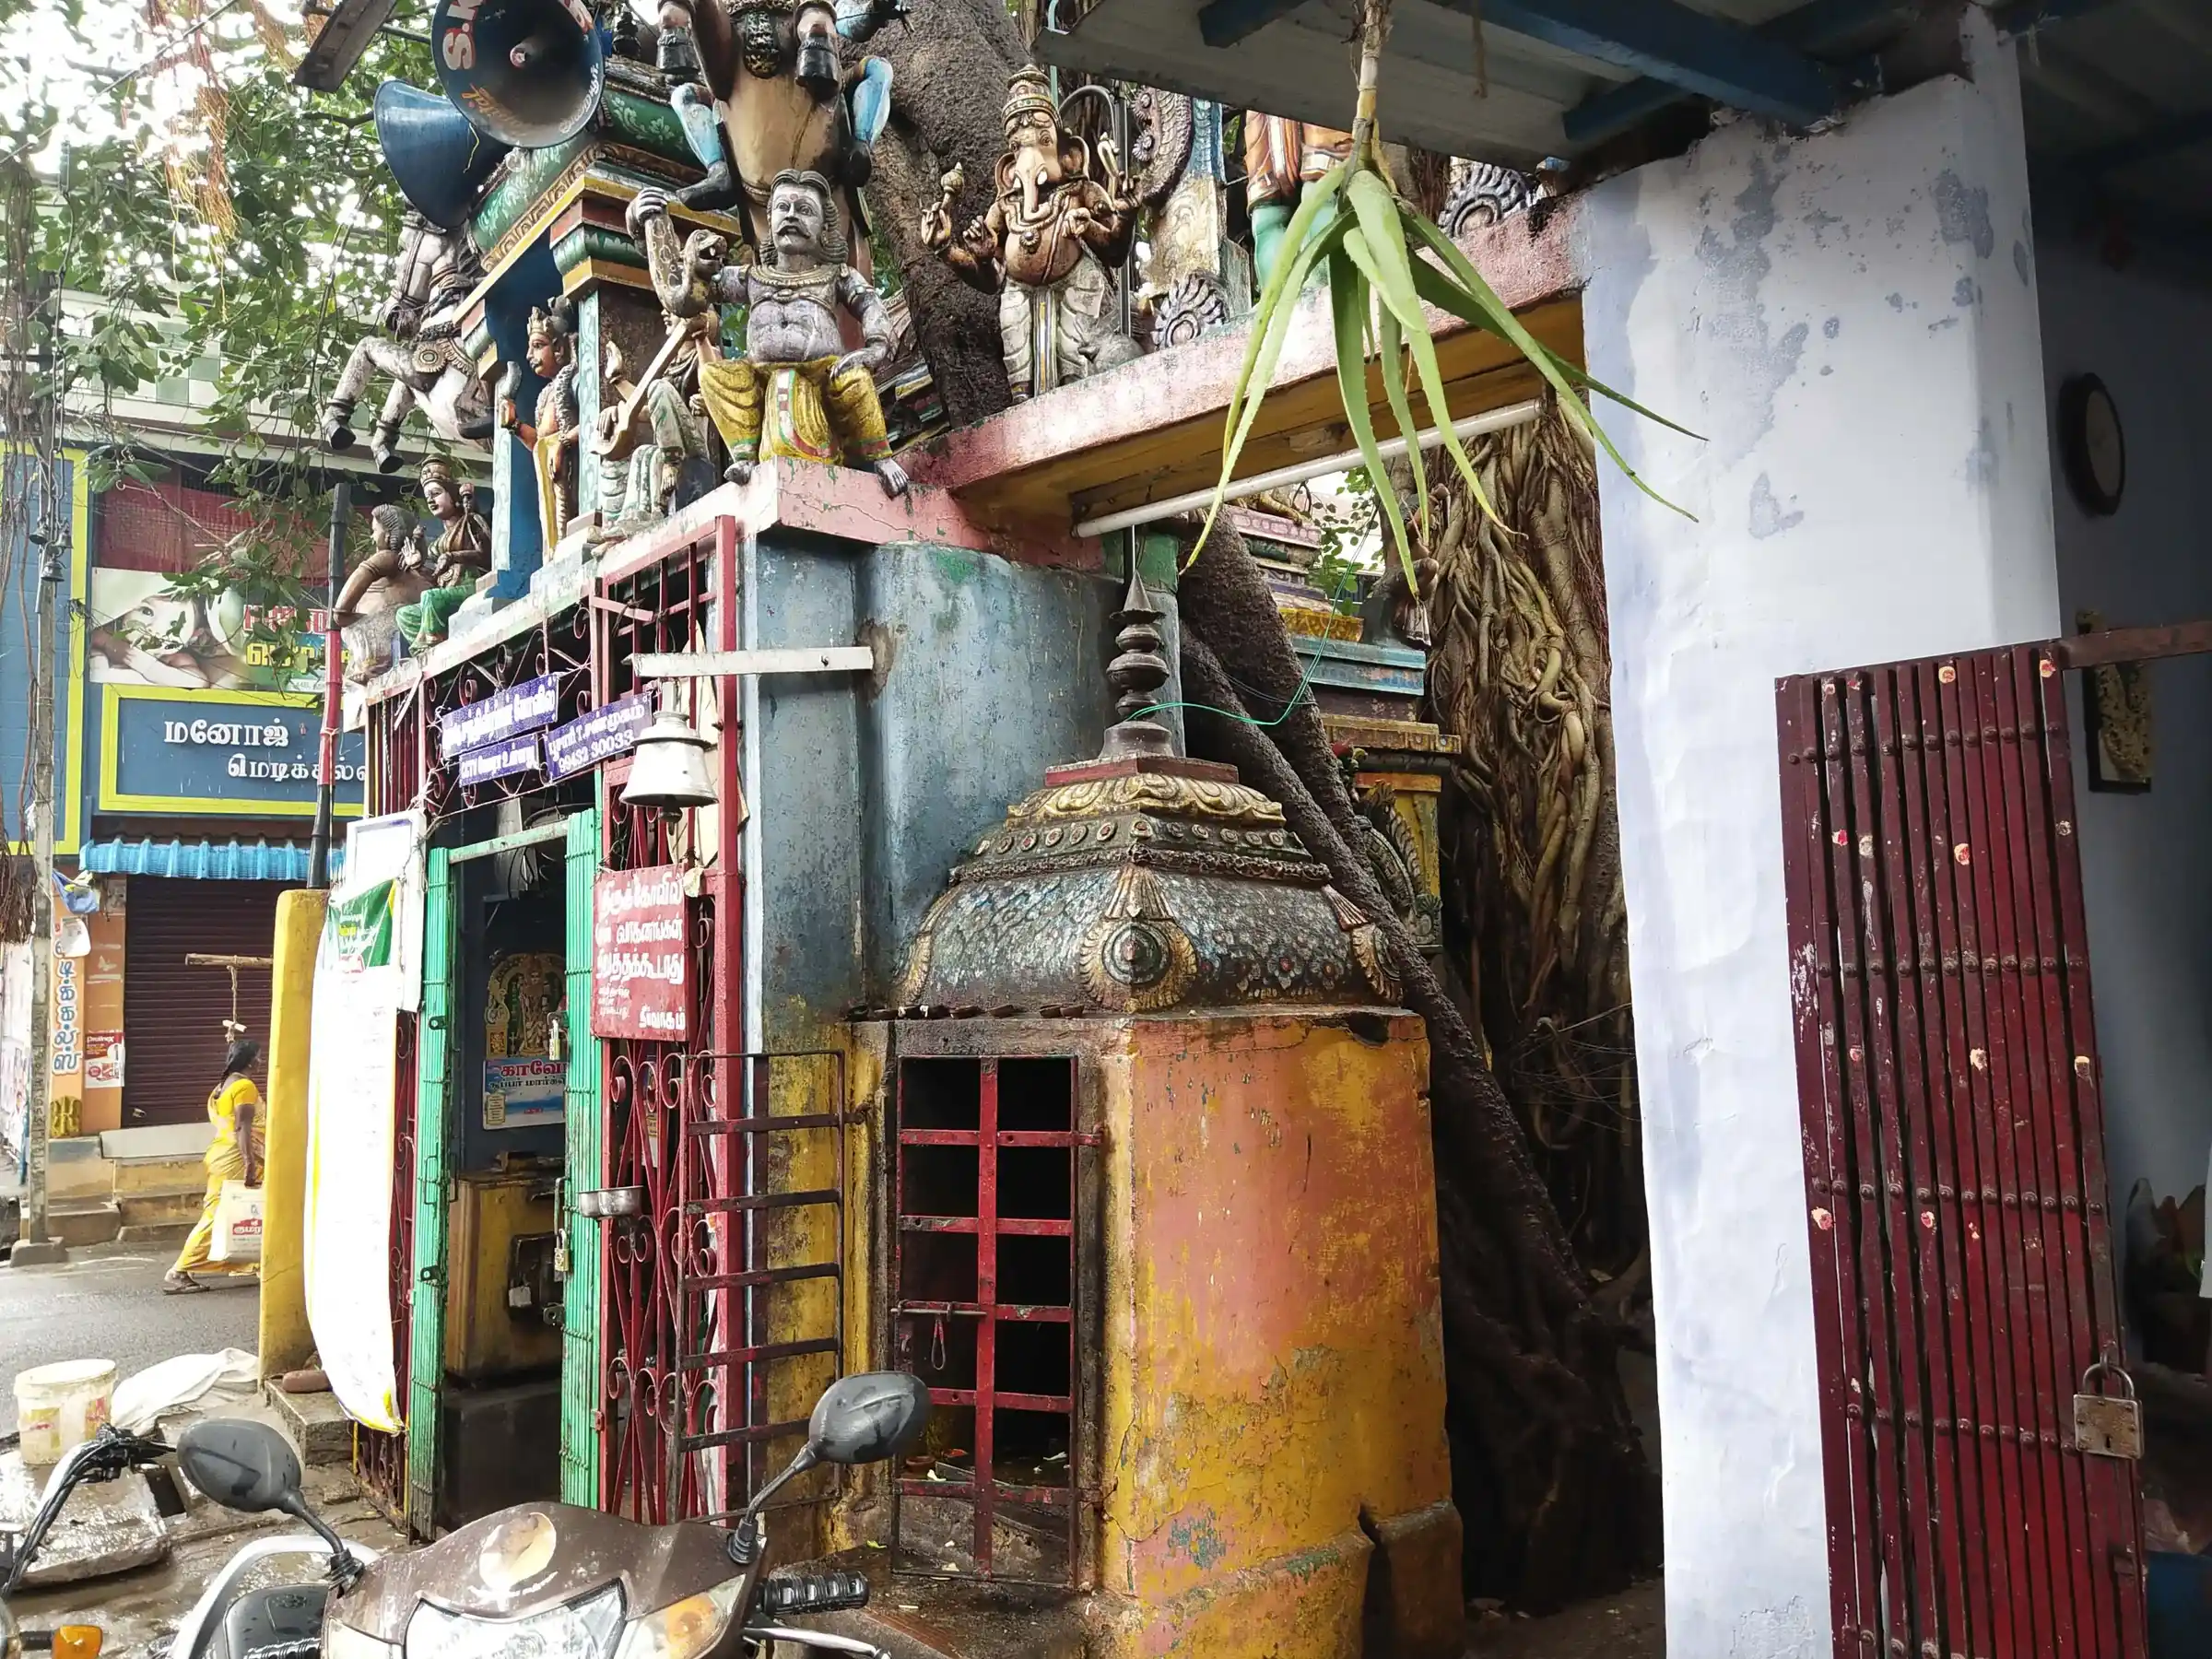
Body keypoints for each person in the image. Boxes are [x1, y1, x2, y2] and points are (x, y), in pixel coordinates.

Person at [164, 1038, 265, 1294]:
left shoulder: (221, 1086)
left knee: (239, 1212)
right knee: (218, 1215)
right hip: (235, 1157)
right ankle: (179, 1270)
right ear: (251, 1060)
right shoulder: (245, 1086)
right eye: (259, 1056)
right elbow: (242, 1127)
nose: (261, 1061)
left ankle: (254, 1261)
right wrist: (250, 1162)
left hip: (221, 1154)